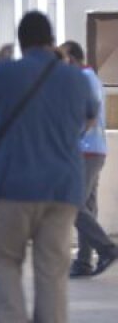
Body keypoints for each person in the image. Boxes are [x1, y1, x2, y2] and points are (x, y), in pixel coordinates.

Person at [0, 12, 97, 323]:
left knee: (6, 262)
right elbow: (89, 119)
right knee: (52, 270)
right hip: (62, 187)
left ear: (21, 42)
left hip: (12, 186)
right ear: (51, 41)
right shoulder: (75, 77)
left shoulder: (6, 73)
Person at [59, 41, 116, 279]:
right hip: (93, 150)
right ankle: (83, 262)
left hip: (85, 151)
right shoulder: (90, 78)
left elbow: (86, 117)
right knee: (86, 207)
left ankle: (107, 248)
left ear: (71, 58)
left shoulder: (83, 80)